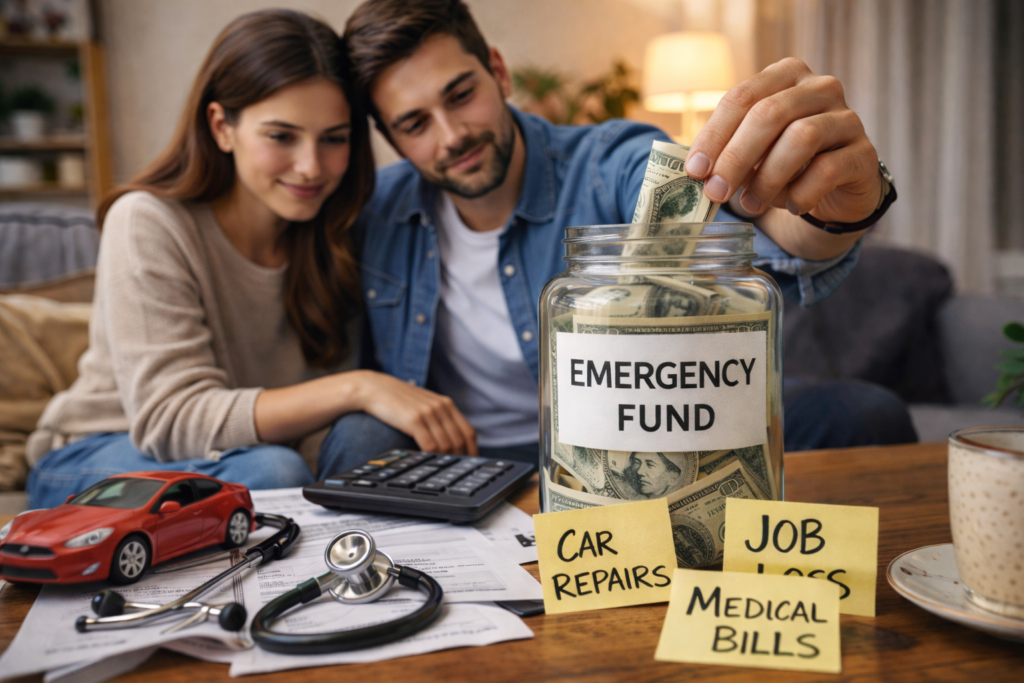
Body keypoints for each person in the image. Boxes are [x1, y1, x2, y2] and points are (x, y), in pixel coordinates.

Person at [317, 0, 917, 478]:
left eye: (460, 95)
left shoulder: (608, 162)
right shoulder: (376, 209)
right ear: (391, 139)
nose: (451, 136)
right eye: (415, 124)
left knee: (863, 412)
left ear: (497, 72)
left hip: (634, 440)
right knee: (357, 435)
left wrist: (841, 211)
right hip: (464, 460)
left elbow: (759, 240)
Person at [25, 9, 474, 509]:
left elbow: (326, 427)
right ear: (222, 127)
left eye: (334, 138)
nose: (311, 167)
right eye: (281, 136)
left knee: (370, 439)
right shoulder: (148, 220)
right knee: (269, 470)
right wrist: (360, 387)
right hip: (98, 453)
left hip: (254, 454)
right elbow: (170, 421)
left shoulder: (336, 226)